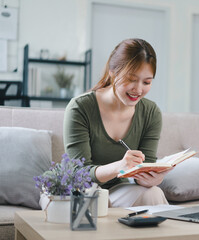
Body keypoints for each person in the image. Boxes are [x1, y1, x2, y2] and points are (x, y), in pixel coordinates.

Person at [62, 38, 169, 207]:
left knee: (153, 193)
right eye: (131, 79)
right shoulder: (80, 108)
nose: (139, 89)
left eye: (147, 82)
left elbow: (146, 165)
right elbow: (77, 174)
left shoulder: (150, 112)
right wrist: (120, 166)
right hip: (80, 192)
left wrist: (152, 179)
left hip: (118, 192)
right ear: (112, 72)